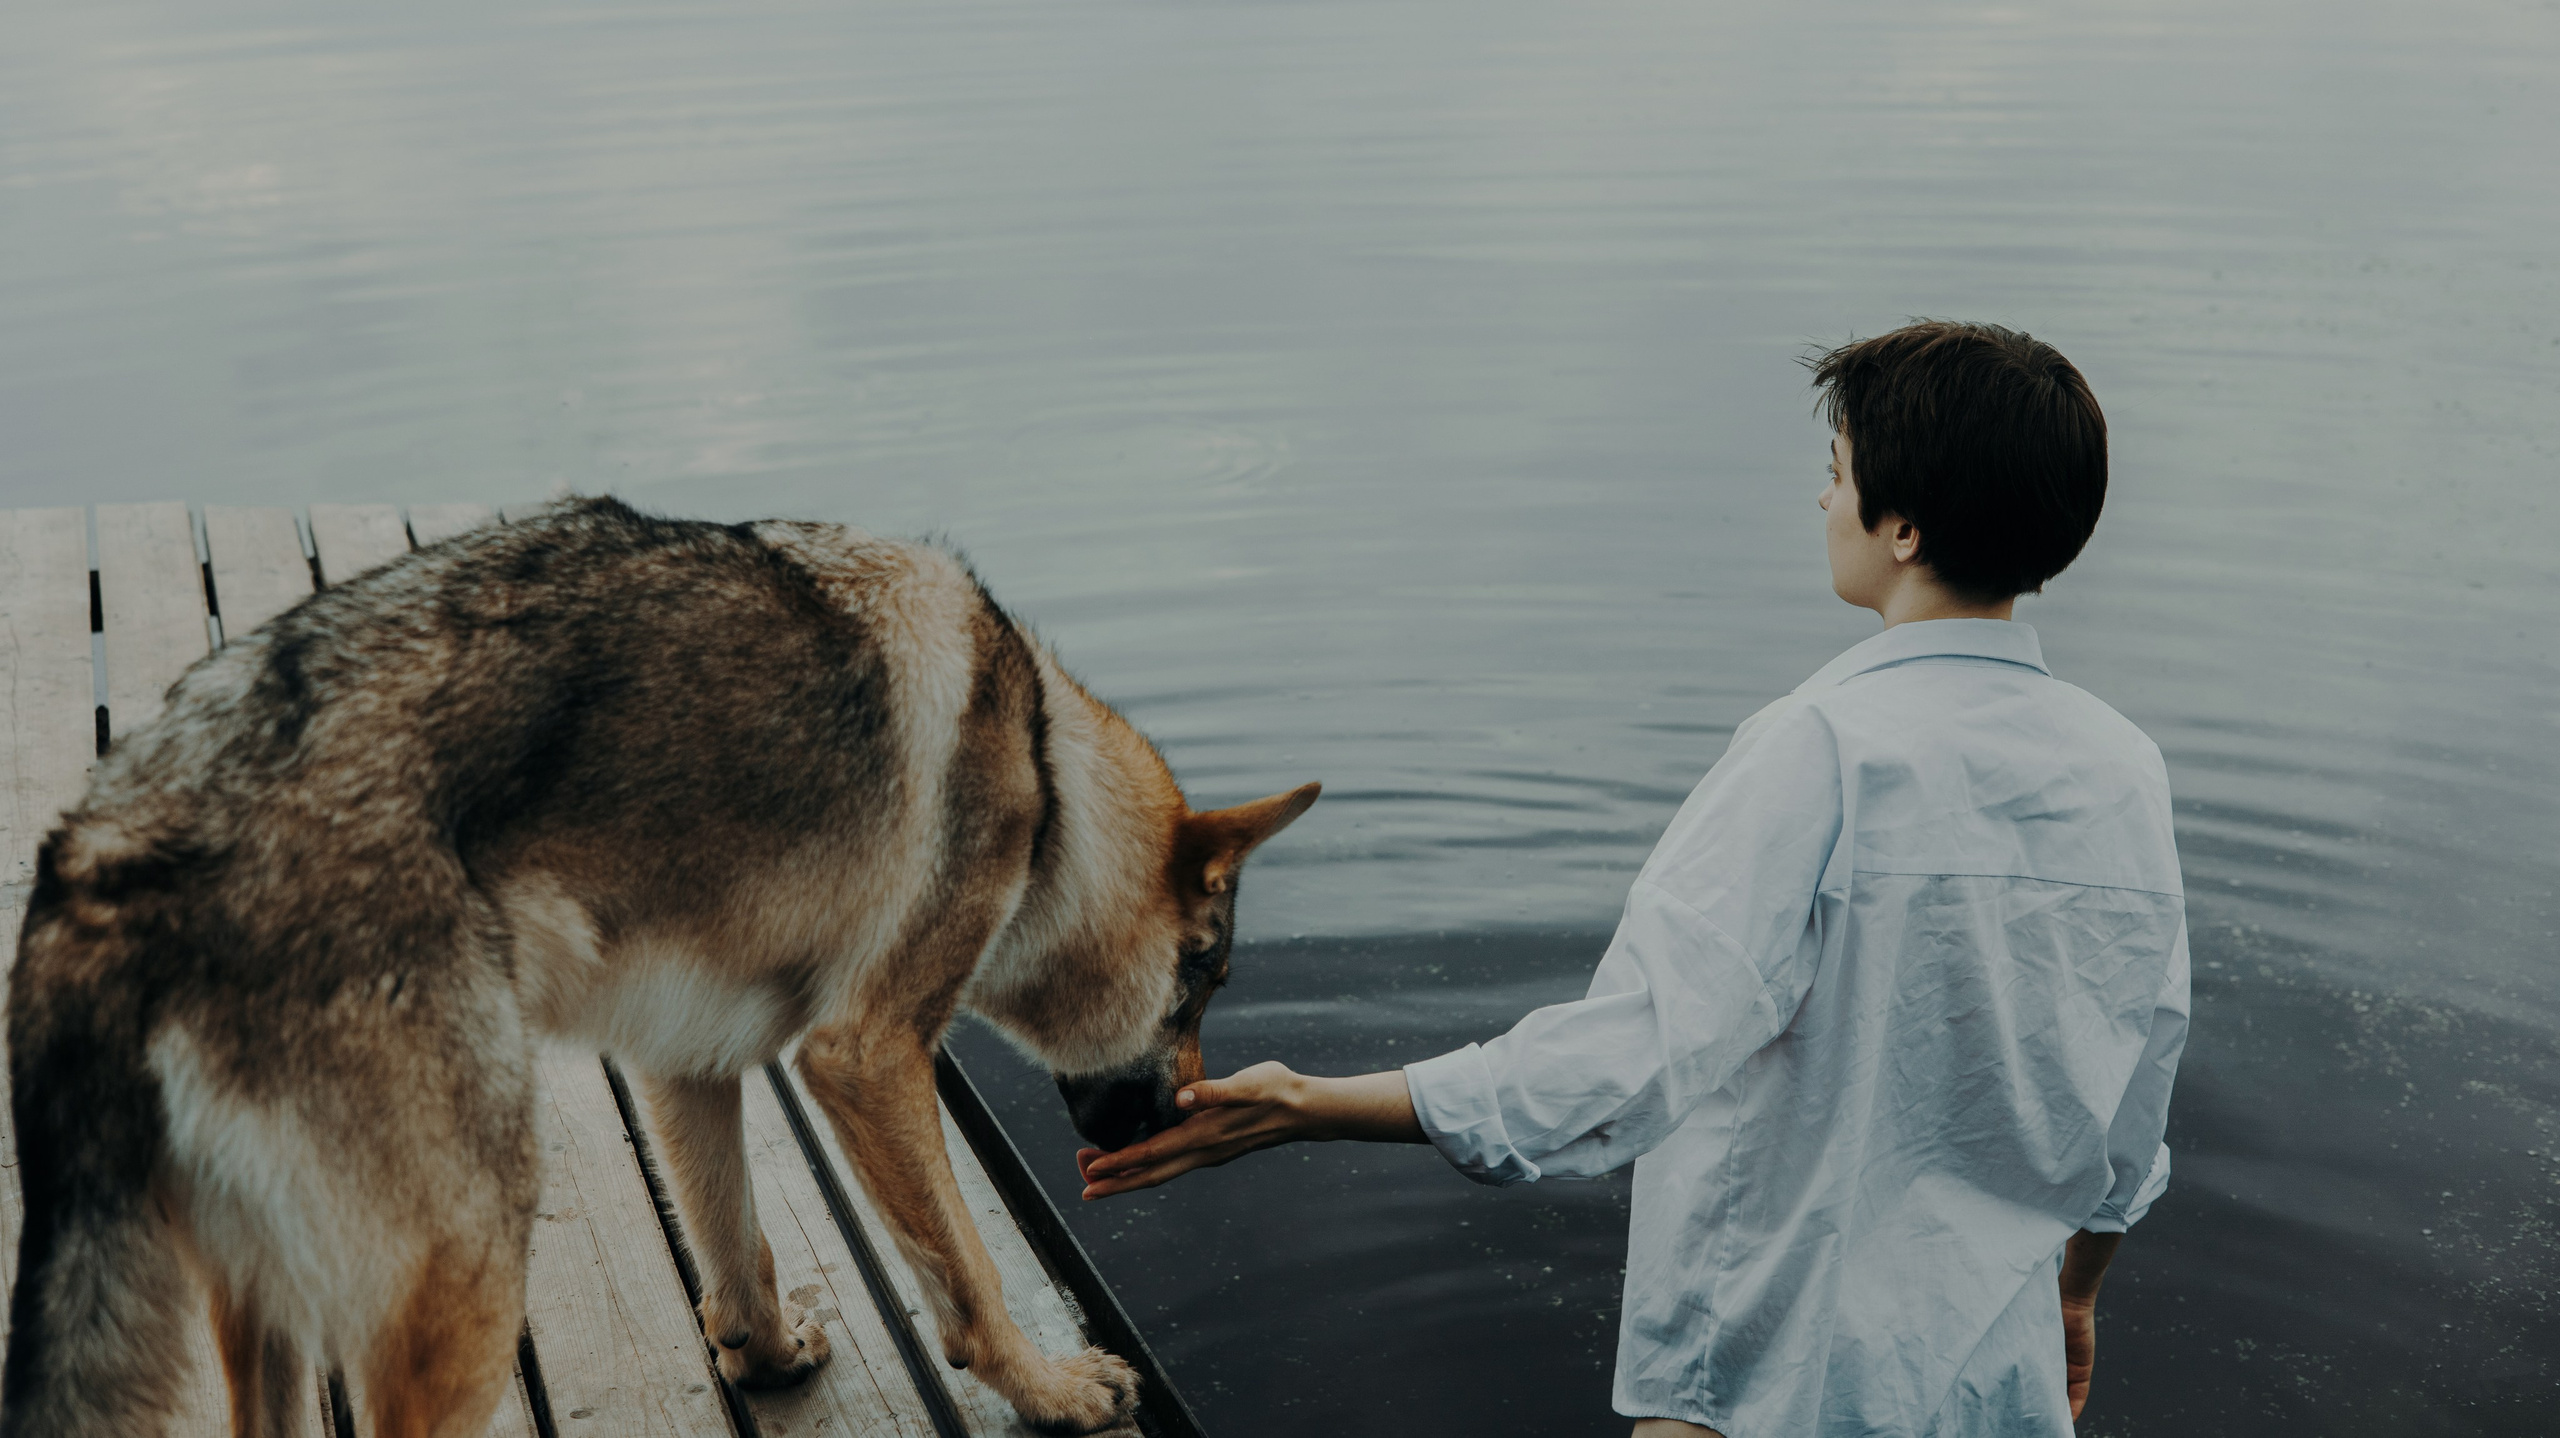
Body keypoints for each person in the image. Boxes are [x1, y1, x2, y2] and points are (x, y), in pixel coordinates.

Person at [1077, 320, 2189, 1438]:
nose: (1820, 503)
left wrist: (1309, 1107)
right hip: (1997, 1387)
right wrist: (2076, 1291)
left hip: (1767, 1381)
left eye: (1836, 475)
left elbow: (1637, 1050)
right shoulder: (2121, 771)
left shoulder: (1819, 745)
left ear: (1901, 528)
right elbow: (2134, 1084)